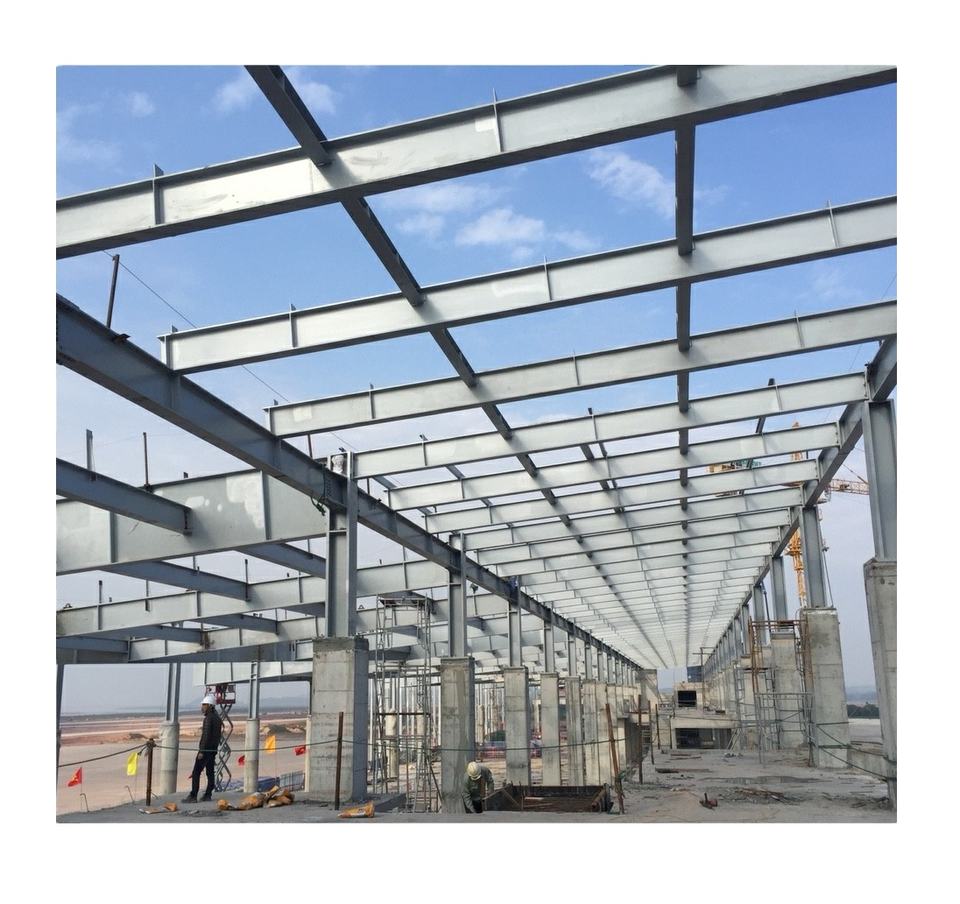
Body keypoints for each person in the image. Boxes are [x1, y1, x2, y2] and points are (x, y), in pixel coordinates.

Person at [182, 694, 222, 803]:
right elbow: (217, 736)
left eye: (204, 705)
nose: (202, 707)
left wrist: (201, 751)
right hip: (213, 750)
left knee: (196, 772)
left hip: (206, 750)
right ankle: (208, 794)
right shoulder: (217, 718)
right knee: (210, 772)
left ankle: (193, 795)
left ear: (210, 705)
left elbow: (206, 735)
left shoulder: (208, 718)